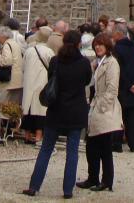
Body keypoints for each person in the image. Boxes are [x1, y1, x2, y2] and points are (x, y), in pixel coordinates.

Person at [23, 30, 92, 199]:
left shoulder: (55, 61)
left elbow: (51, 81)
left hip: (56, 110)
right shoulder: (83, 63)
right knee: (72, 152)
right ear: (78, 44)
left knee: (46, 150)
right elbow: (86, 81)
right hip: (75, 111)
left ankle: (34, 186)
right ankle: (68, 190)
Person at [77, 33, 122, 192]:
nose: (98, 47)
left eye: (101, 45)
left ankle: (106, 180)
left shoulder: (112, 63)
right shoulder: (97, 62)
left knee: (104, 147)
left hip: (104, 108)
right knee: (92, 146)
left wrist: (102, 106)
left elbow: (112, 88)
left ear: (107, 46)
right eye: (96, 45)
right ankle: (93, 177)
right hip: (95, 106)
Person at [111, 22, 134, 152]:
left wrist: (129, 85)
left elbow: (119, 70)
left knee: (118, 115)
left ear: (118, 34)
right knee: (131, 117)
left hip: (121, 87)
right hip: (133, 88)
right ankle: (133, 143)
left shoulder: (116, 50)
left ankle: (117, 144)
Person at [21, 26, 55, 144]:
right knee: (41, 110)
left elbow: (23, 67)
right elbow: (52, 68)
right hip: (42, 82)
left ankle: (27, 134)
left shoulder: (29, 50)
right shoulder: (49, 52)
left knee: (29, 109)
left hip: (29, 82)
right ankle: (38, 135)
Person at [0, 26, 24, 104]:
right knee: (14, 106)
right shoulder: (15, 43)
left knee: (4, 104)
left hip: (9, 80)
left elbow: (6, 61)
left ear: (3, 36)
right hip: (18, 80)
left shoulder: (7, 45)